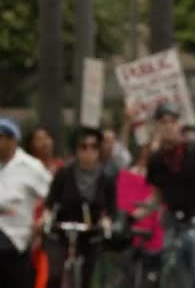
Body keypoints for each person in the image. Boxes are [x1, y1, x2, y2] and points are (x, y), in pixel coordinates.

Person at [132, 103, 195, 288]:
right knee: (174, 279)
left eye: (173, 121)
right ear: (157, 126)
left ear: (179, 124)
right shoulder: (156, 160)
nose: (168, 125)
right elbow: (156, 197)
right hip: (174, 224)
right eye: (163, 122)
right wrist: (135, 215)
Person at [43, 126, 116, 288]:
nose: (88, 151)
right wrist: (47, 217)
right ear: (77, 150)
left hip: (90, 232)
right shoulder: (64, 173)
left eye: (94, 146)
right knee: (55, 274)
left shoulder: (107, 178)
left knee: (88, 277)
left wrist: (106, 220)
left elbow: (112, 208)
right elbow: (50, 201)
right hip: (61, 230)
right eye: (83, 146)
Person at [0, 118, 51, 288]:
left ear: (12, 140)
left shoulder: (31, 167)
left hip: (16, 239)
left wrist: (44, 219)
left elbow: (53, 197)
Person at [115, 137, 164, 287]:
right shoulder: (128, 174)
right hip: (130, 230)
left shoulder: (164, 176)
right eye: (150, 150)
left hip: (154, 233)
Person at [24, 127, 65, 288]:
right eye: (39, 139)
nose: (45, 142)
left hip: (53, 231)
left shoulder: (62, 169)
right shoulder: (25, 168)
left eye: (47, 137)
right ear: (31, 145)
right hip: (27, 229)